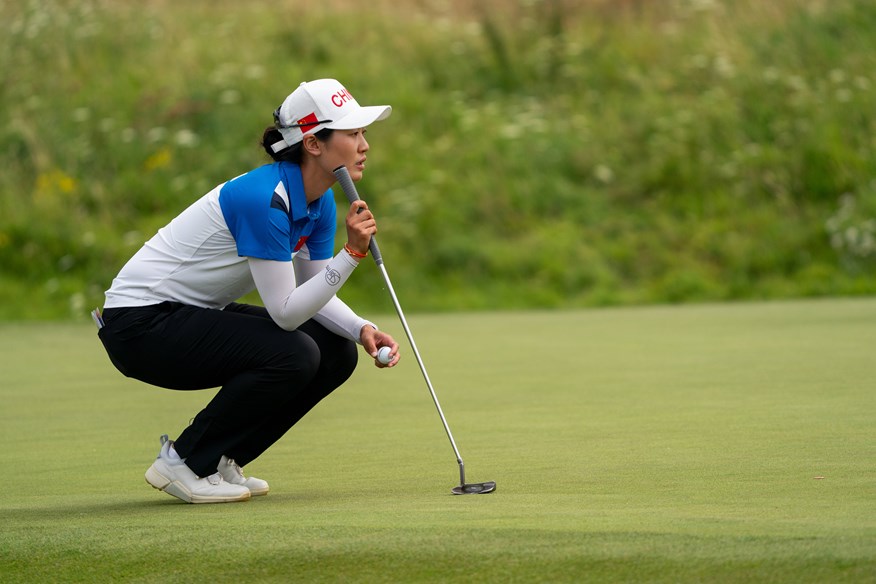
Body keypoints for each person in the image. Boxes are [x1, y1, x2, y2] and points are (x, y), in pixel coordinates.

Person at [96, 79, 400, 504]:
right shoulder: (265, 198)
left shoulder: (319, 201)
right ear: (313, 144)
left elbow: (314, 288)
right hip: (140, 326)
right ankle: (182, 462)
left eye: (362, 133)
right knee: (294, 350)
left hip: (184, 317)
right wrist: (350, 253)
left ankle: (221, 459)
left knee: (334, 349)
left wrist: (360, 328)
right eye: (352, 134)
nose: (364, 144)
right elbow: (286, 313)